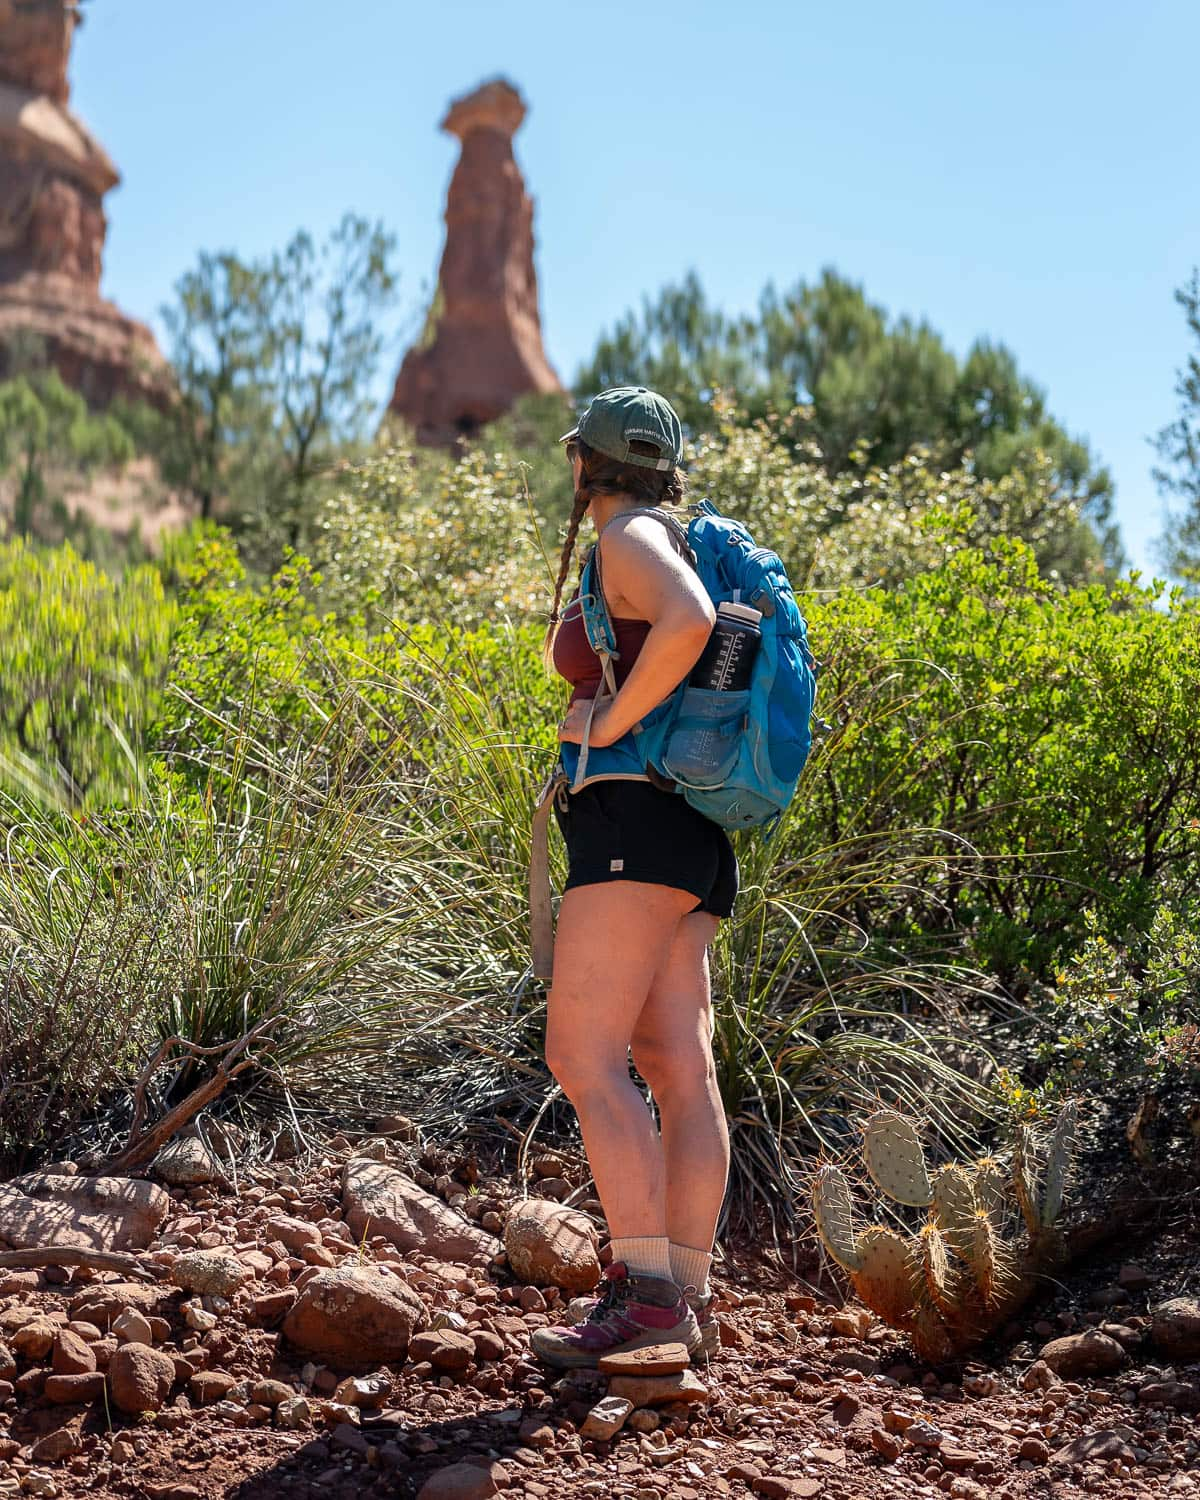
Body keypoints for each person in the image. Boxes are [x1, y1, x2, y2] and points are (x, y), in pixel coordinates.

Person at [530, 387, 737, 1370]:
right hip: (692, 834)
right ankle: (679, 1306)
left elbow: (690, 623)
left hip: (632, 824)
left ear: (586, 463)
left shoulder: (628, 541)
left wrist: (605, 726)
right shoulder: (683, 536)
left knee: (582, 1054)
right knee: (676, 1066)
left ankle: (646, 1300)